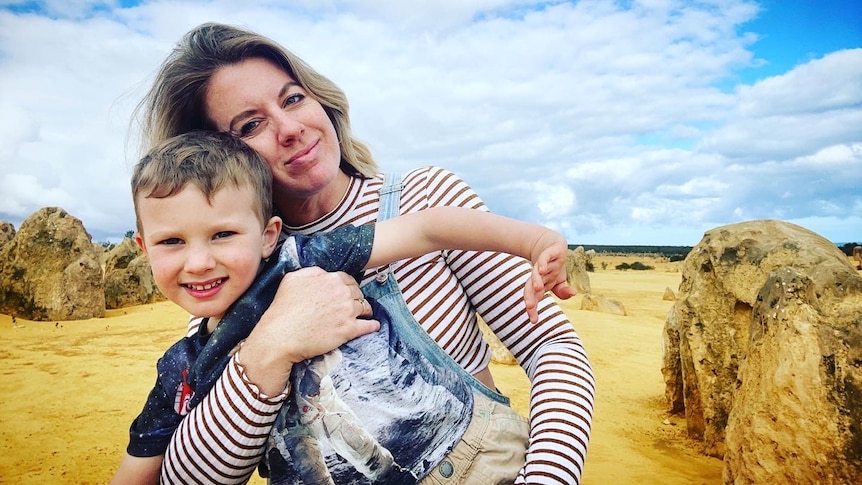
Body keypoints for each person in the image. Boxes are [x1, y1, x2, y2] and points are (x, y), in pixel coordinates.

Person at [134, 22, 595, 484]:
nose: (291, 128)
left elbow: (552, 347)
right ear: (215, 154)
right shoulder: (230, 270)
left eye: (293, 98)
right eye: (251, 125)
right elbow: (188, 475)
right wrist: (271, 344)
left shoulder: (423, 199)